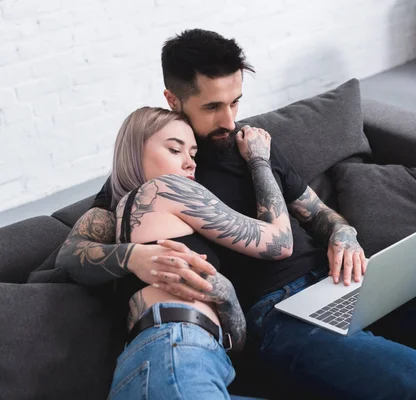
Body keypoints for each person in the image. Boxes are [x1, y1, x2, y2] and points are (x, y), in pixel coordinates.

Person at [57, 29, 416, 399]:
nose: (230, 120)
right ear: (173, 100)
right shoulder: (162, 163)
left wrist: (343, 234)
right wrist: (132, 258)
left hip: (343, 281)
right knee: (413, 377)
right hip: (276, 315)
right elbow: (74, 251)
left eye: (236, 101)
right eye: (213, 106)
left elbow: (320, 213)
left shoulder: (253, 144)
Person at [101, 106, 289, 399]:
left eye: (193, 154)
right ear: (135, 151)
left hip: (175, 358)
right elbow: (280, 241)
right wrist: (259, 161)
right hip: (176, 351)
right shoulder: (164, 188)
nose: (190, 164)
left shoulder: (118, 218)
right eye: (175, 150)